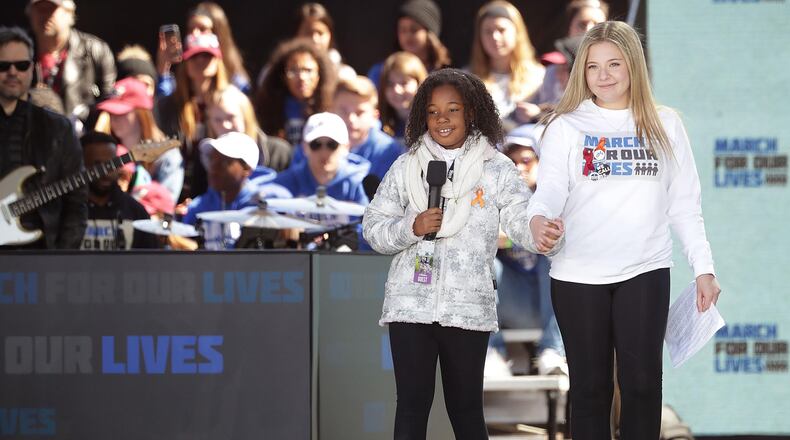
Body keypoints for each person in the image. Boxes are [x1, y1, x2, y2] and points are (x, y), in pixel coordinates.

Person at [527, 21, 721, 438]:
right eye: (593, 66)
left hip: (645, 271)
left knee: (642, 387)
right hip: (577, 275)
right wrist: (540, 222)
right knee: (591, 390)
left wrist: (703, 268)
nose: (604, 75)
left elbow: (686, 206)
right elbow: (548, 193)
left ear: (634, 65)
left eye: (614, 63)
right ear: (582, 72)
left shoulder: (665, 124)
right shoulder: (564, 126)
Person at [362, 68, 551, 439]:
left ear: (472, 113)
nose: (442, 119)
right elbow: (373, 229)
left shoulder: (496, 169)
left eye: (453, 109)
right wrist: (410, 228)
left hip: (468, 310)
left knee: (465, 408)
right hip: (410, 306)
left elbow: (519, 221)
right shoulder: (406, 166)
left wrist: (542, 233)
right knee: (412, 405)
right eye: (433, 112)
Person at [487, 136, 567, 377]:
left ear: (541, 163)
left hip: (553, 302)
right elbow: (483, 238)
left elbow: (554, 239)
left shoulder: (558, 196)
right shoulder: (493, 197)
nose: (519, 167)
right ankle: (492, 353)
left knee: (555, 257)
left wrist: (511, 236)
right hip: (514, 301)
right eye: (511, 162)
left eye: (526, 160)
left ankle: (553, 351)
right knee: (483, 262)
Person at [0, 26, 86, 249]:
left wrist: (60, 261)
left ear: (33, 68)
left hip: (38, 256)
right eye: (3, 66)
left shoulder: (58, 128)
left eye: (21, 65)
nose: (13, 72)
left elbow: (76, 203)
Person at [182, 131, 291, 249]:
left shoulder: (266, 204)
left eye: (224, 162)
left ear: (246, 169)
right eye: (212, 160)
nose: (213, 168)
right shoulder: (198, 208)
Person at [156, 32, 229, 201]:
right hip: (176, 189)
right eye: (195, 57)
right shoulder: (167, 106)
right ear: (185, 63)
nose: (201, 61)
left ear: (218, 61)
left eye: (207, 56)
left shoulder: (229, 103)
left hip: (217, 192)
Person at [95, 77, 183, 205]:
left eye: (121, 113)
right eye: (111, 112)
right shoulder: (109, 152)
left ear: (141, 113)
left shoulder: (168, 156)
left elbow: (165, 206)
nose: (114, 118)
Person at [27, 0, 116, 126]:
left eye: (51, 9)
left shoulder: (95, 49)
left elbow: (110, 100)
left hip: (80, 137)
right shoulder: (18, 50)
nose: (44, 15)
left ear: (69, 13)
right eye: (39, 9)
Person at [468, 1, 545, 129]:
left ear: (517, 33)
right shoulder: (468, 80)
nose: (495, 37)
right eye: (488, 31)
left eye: (501, 30)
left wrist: (537, 113)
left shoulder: (541, 76)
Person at [78, 131, 157, 250]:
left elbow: (150, 262)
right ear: (82, 165)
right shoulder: (65, 210)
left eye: (111, 164)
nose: (106, 172)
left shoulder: (136, 212)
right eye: (97, 165)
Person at [157, 2, 251, 96]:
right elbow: (166, 104)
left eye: (203, 29)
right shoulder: (182, 80)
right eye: (190, 29)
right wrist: (163, 70)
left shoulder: (238, 86)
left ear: (218, 35)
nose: (195, 34)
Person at [255, 38, 336, 147]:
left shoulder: (332, 108)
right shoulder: (268, 109)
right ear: (283, 77)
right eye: (293, 71)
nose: (301, 77)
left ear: (319, 75)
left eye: (308, 71)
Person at [274, 112, 369, 205]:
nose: (324, 152)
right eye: (316, 145)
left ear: (346, 147)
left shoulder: (359, 183)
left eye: (332, 145)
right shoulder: (289, 181)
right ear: (304, 147)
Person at [330, 75, 404, 180]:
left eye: (359, 112)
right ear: (331, 111)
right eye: (343, 110)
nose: (351, 119)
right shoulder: (316, 143)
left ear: (375, 116)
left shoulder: (387, 150)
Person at [366, 0, 451, 89]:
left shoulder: (447, 74)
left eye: (414, 29)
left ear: (429, 34)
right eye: (403, 30)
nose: (408, 35)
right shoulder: (381, 72)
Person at [206, 85, 292, 171]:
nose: (225, 125)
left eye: (231, 117)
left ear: (246, 116)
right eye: (217, 120)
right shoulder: (207, 156)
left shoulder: (280, 152)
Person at [293, 2, 356, 81]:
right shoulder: (285, 73)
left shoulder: (344, 74)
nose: (314, 39)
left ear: (330, 35)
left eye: (320, 33)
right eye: (308, 32)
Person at [378, 51, 428, 143]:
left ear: (420, 84)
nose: (397, 90)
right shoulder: (378, 123)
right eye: (390, 84)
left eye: (404, 83)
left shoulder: (435, 121)